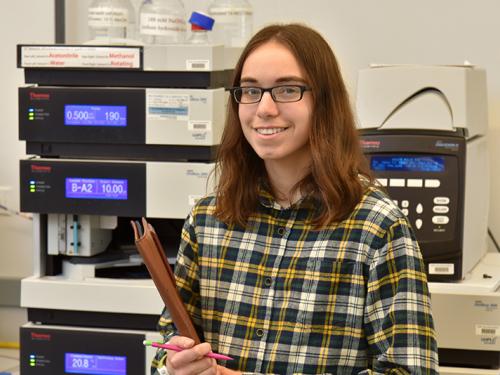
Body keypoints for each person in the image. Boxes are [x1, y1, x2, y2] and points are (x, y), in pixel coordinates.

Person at [151, 23, 439, 375]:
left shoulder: (377, 227)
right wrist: (174, 365)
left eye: (287, 90)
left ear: (324, 102)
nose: (265, 108)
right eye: (250, 90)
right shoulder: (208, 219)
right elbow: (166, 345)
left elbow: (409, 370)